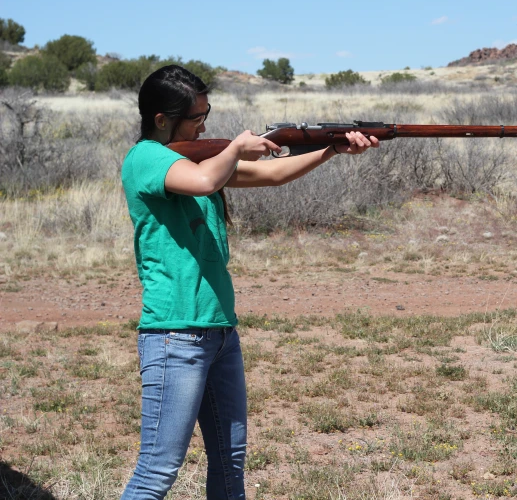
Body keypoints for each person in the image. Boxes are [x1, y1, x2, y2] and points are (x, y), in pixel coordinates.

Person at [120, 64, 379, 499]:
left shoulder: (195, 159)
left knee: (230, 463)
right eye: (195, 117)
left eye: (207, 112)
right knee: (157, 472)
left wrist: (330, 149)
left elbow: (273, 174)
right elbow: (204, 182)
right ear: (161, 120)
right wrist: (238, 146)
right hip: (175, 335)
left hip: (219, 333)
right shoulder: (146, 158)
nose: (204, 124)